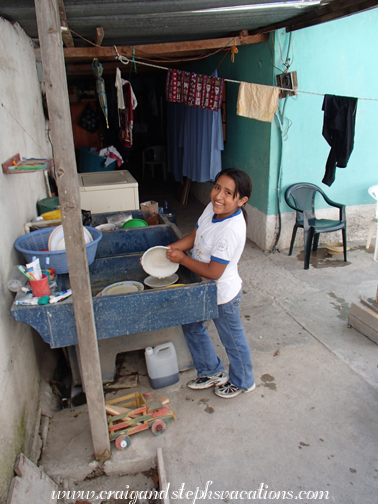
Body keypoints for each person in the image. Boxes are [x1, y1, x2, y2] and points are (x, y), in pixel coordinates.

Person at [166, 168, 255, 399]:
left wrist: (183, 259)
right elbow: (195, 235)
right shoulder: (212, 208)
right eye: (217, 188)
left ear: (241, 200)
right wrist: (172, 249)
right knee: (191, 325)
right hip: (202, 288)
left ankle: (244, 381)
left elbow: (214, 272)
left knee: (232, 340)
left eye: (228, 193)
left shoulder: (231, 229)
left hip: (222, 294)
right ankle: (211, 371)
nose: (218, 196)